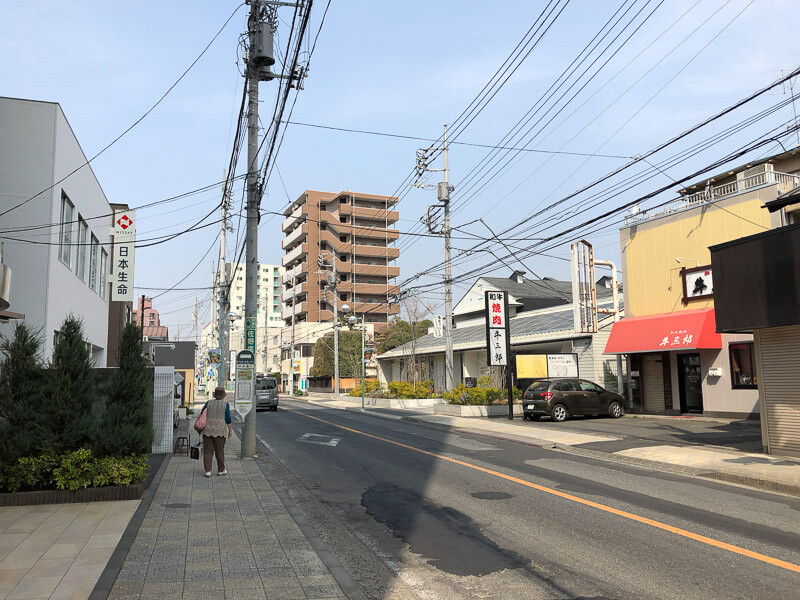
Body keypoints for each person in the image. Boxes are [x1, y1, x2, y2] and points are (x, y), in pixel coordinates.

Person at [200, 386, 233, 477]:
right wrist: (230, 430)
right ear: (223, 395)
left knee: (207, 451)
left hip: (207, 429)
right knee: (220, 451)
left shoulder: (208, 403)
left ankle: (208, 471)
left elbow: (202, 413)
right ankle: (221, 470)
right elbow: (227, 418)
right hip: (220, 430)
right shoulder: (225, 404)